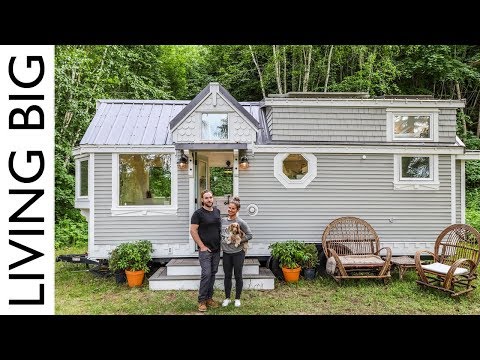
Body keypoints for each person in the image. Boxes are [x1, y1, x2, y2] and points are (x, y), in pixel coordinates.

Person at [190, 189, 221, 312]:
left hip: (216, 249)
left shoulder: (217, 211)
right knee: (206, 274)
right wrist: (202, 246)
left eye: (211, 197)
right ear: (202, 200)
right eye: (206, 198)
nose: (209, 200)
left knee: (212, 274)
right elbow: (193, 231)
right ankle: (202, 300)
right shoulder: (198, 214)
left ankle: (209, 298)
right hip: (205, 250)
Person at [220, 196, 252, 308]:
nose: (230, 210)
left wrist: (238, 241)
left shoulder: (240, 222)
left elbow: (250, 235)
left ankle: (237, 299)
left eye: (233, 208)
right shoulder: (223, 220)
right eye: (229, 208)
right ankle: (227, 298)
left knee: (238, 275)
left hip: (238, 253)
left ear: (237, 210)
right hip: (226, 253)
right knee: (227, 276)